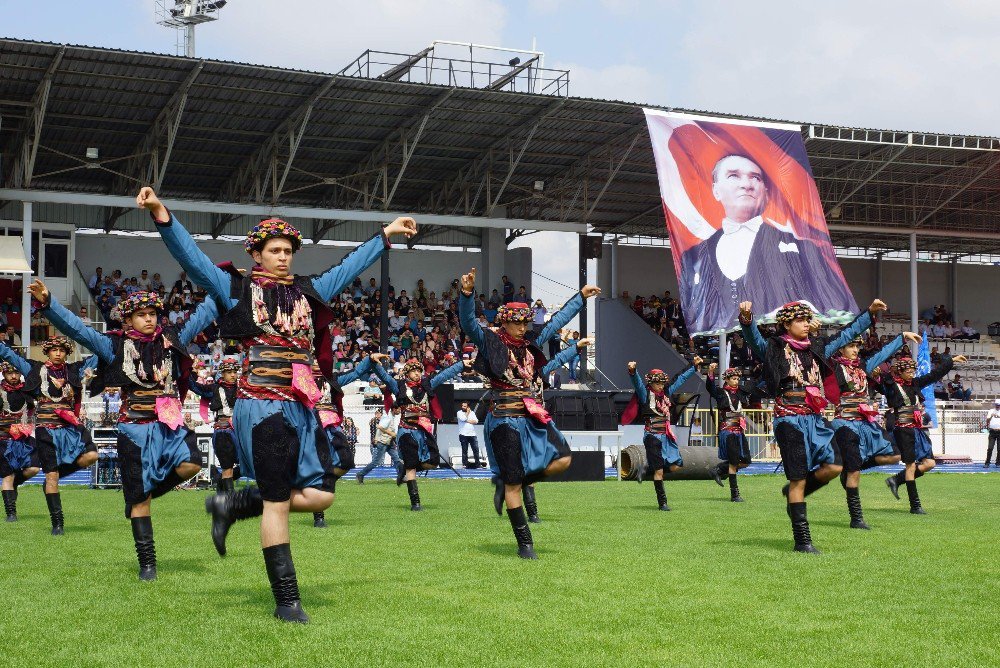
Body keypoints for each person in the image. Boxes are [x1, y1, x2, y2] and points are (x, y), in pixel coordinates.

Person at [138, 185, 416, 623]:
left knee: (322, 496)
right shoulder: (237, 290)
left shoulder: (310, 290)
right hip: (261, 405)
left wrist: (386, 234)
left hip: (301, 408)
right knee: (277, 501)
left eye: (288, 249)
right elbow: (192, 259)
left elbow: (348, 267)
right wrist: (161, 213)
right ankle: (287, 601)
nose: (284, 256)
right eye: (275, 250)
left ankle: (233, 505)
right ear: (258, 254)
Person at [31, 282, 215, 580]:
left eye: (153, 313)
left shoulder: (172, 339)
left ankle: (144, 495)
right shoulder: (115, 345)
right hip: (133, 429)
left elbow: (204, 315)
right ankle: (148, 565)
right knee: (139, 500)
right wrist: (50, 304)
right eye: (141, 314)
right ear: (128, 319)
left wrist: (234, 285)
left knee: (193, 464)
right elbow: (81, 331)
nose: (149, 319)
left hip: (170, 424)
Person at [458, 267, 600, 558]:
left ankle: (511, 480)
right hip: (504, 419)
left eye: (526, 323)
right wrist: (467, 294)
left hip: (531, 416)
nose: (524, 328)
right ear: (506, 322)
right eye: (518, 324)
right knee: (513, 484)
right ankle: (525, 544)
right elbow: (468, 323)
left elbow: (555, 322)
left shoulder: (528, 347)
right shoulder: (491, 340)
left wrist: (580, 299)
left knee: (563, 459)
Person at [739, 298, 883, 553]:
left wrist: (868, 313)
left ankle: (797, 490)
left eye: (807, 320)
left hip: (815, 419)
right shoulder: (774, 347)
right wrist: (747, 319)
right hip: (789, 420)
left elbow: (845, 334)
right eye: (801, 320)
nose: (806, 324)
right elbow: (754, 340)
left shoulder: (817, 347)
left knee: (835, 466)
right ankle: (802, 540)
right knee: (797, 479)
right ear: (786, 323)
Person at [680, 154, 855, 333]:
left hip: (776, 344)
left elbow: (835, 303)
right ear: (716, 190)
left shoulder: (803, 249)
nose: (746, 185)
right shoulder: (694, 257)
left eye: (755, 178)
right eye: (733, 175)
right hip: (718, 345)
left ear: (766, 191)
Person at [0, 332, 98, 536]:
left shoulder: (74, 370)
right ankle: (58, 524)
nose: (58, 353)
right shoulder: (35, 369)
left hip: (70, 426)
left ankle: (55, 476)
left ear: (67, 353)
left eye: (62, 350)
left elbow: (99, 354)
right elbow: (11, 357)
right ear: (47, 351)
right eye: (54, 349)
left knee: (92, 455)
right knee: (49, 477)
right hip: (45, 430)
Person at [827, 330, 919, 529]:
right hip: (845, 422)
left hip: (866, 422)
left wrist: (901, 338)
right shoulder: (833, 367)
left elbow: (881, 355)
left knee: (894, 456)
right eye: (850, 346)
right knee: (854, 472)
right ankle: (856, 518)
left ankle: (852, 466)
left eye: (857, 346)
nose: (855, 350)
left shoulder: (862, 366)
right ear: (841, 348)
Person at [369, 354, 468, 510]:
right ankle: (415, 502)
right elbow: (386, 379)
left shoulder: (427, 385)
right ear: (407, 373)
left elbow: (443, 375)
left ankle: (405, 469)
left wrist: (461, 365)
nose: (417, 373)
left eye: (419, 371)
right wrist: (374, 364)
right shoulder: (399, 386)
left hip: (423, 430)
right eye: (413, 371)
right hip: (406, 430)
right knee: (411, 465)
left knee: (433, 461)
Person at [881, 353, 966, 514]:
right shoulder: (891, 385)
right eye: (908, 370)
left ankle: (896, 480)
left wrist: (950, 361)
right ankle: (915, 505)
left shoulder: (916, 383)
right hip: (903, 428)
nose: (912, 373)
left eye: (913, 370)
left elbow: (935, 374)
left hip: (918, 429)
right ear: (900, 371)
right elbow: (880, 379)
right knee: (911, 466)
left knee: (930, 463)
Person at [620, 358, 700, 510]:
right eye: (658, 383)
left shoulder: (667, 393)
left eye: (662, 383)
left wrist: (693, 366)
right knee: (660, 471)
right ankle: (662, 503)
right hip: (652, 436)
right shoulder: (645, 394)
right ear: (651, 383)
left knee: (676, 465)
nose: (660, 386)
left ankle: (647, 470)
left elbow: (680, 378)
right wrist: (633, 371)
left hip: (666, 436)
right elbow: (637, 383)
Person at [309, 357, 374, 528]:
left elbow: (356, 373)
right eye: (313, 359)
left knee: (346, 460)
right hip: (311, 427)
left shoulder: (332, 379)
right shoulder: (300, 380)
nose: (317, 363)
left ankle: (325, 483)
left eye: (319, 360)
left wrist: (370, 360)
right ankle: (318, 515)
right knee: (318, 467)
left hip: (332, 425)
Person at [704, 365, 759, 502]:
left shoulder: (741, 392)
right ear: (727, 380)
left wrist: (757, 371)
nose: (736, 381)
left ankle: (719, 469)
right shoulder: (721, 393)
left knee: (746, 461)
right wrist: (710, 372)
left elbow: (753, 386)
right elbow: (710, 388)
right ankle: (735, 495)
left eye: (737, 378)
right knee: (734, 463)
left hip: (739, 431)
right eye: (733, 379)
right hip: (727, 431)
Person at [1, 362, 40, 522]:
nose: (14, 376)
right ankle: (11, 513)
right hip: (3, 439)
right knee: (7, 476)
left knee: (34, 468)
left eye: (16, 372)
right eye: (10, 373)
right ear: (4, 375)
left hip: (23, 438)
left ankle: (15, 483)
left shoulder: (27, 391)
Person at [357, 405, 402, 484]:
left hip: (389, 442)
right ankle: (360, 474)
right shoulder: (388, 417)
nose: (400, 411)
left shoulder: (391, 416)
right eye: (399, 409)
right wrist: (392, 434)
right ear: (394, 409)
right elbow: (380, 427)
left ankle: (401, 477)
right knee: (376, 462)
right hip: (383, 442)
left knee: (397, 459)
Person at [457, 402, 482, 468]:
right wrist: (467, 414)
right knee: (465, 450)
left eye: (464, 406)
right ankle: (465, 464)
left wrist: (467, 420)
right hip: (463, 434)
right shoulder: (459, 412)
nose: (463, 407)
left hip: (472, 434)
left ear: (468, 407)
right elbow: (463, 419)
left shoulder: (472, 413)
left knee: (476, 450)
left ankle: (478, 464)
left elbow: (476, 421)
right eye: (462, 406)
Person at [983, 399, 1000, 468]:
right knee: (990, 448)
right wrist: (991, 416)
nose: (998, 406)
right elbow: (987, 420)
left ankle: (998, 462)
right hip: (992, 431)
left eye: (999, 405)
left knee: (999, 448)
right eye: (997, 405)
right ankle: (987, 462)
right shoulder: (991, 411)